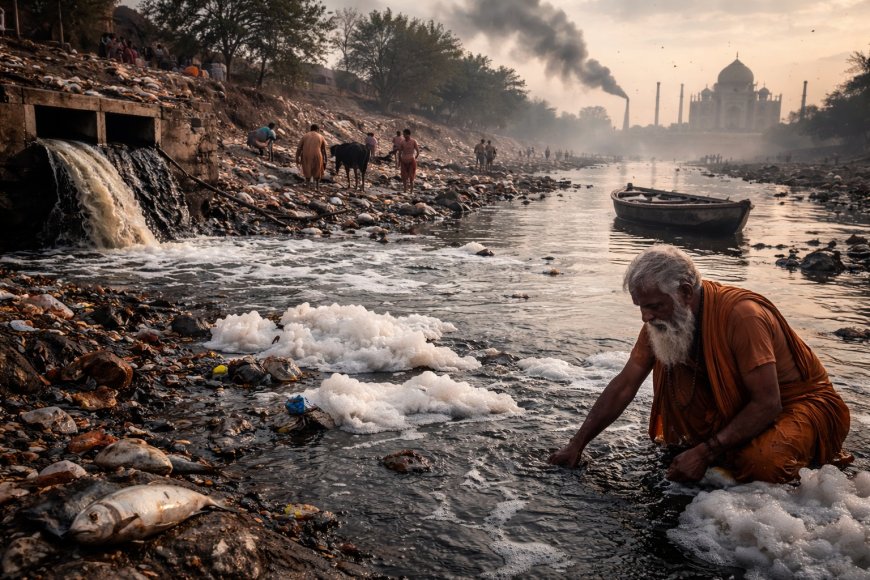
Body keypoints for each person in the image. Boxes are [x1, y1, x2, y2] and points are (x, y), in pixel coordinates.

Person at [548, 244, 851, 484]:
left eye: (654, 306)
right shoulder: (661, 320)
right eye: (641, 308)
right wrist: (577, 444)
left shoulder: (744, 316)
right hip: (744, 404)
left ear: (684, 292)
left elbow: (768, 403)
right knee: (678, 437)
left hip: (795, 405)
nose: (646, 317)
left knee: (762, 465)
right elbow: (626, 383)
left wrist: (705, 453)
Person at [296, 124, 328, 191]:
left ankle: (308, 185)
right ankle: (317, 186)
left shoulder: (305, 136)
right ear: (317, 130)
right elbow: (324, 150)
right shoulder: (321, 136)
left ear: (311, 129)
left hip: (306, 155)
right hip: (318, 155)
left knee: (307, 168)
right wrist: (326, 159)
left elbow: (299, 148)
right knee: (318, 170)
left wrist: (297, 158)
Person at [397, 128, 420, 193]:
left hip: (411, 161)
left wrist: (415, 158)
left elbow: (417, 151)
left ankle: (411, 191)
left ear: (408, 134)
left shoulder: (413, 141)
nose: (403, 135)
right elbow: (400, 152)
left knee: (411, 175)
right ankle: (405, 190)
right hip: (404, 161)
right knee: (404, 176)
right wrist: (399, 161)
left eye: (404, 134)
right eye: (403, 134)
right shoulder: (402, 142)